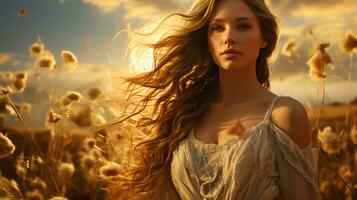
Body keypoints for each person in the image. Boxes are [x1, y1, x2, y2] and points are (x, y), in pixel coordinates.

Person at [106, 0, 319, 199]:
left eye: (243, 26)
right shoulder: (184, 113)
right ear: (207, 42)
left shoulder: (284, 114)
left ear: (264, 38)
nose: (228, 37)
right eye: (217, 28)